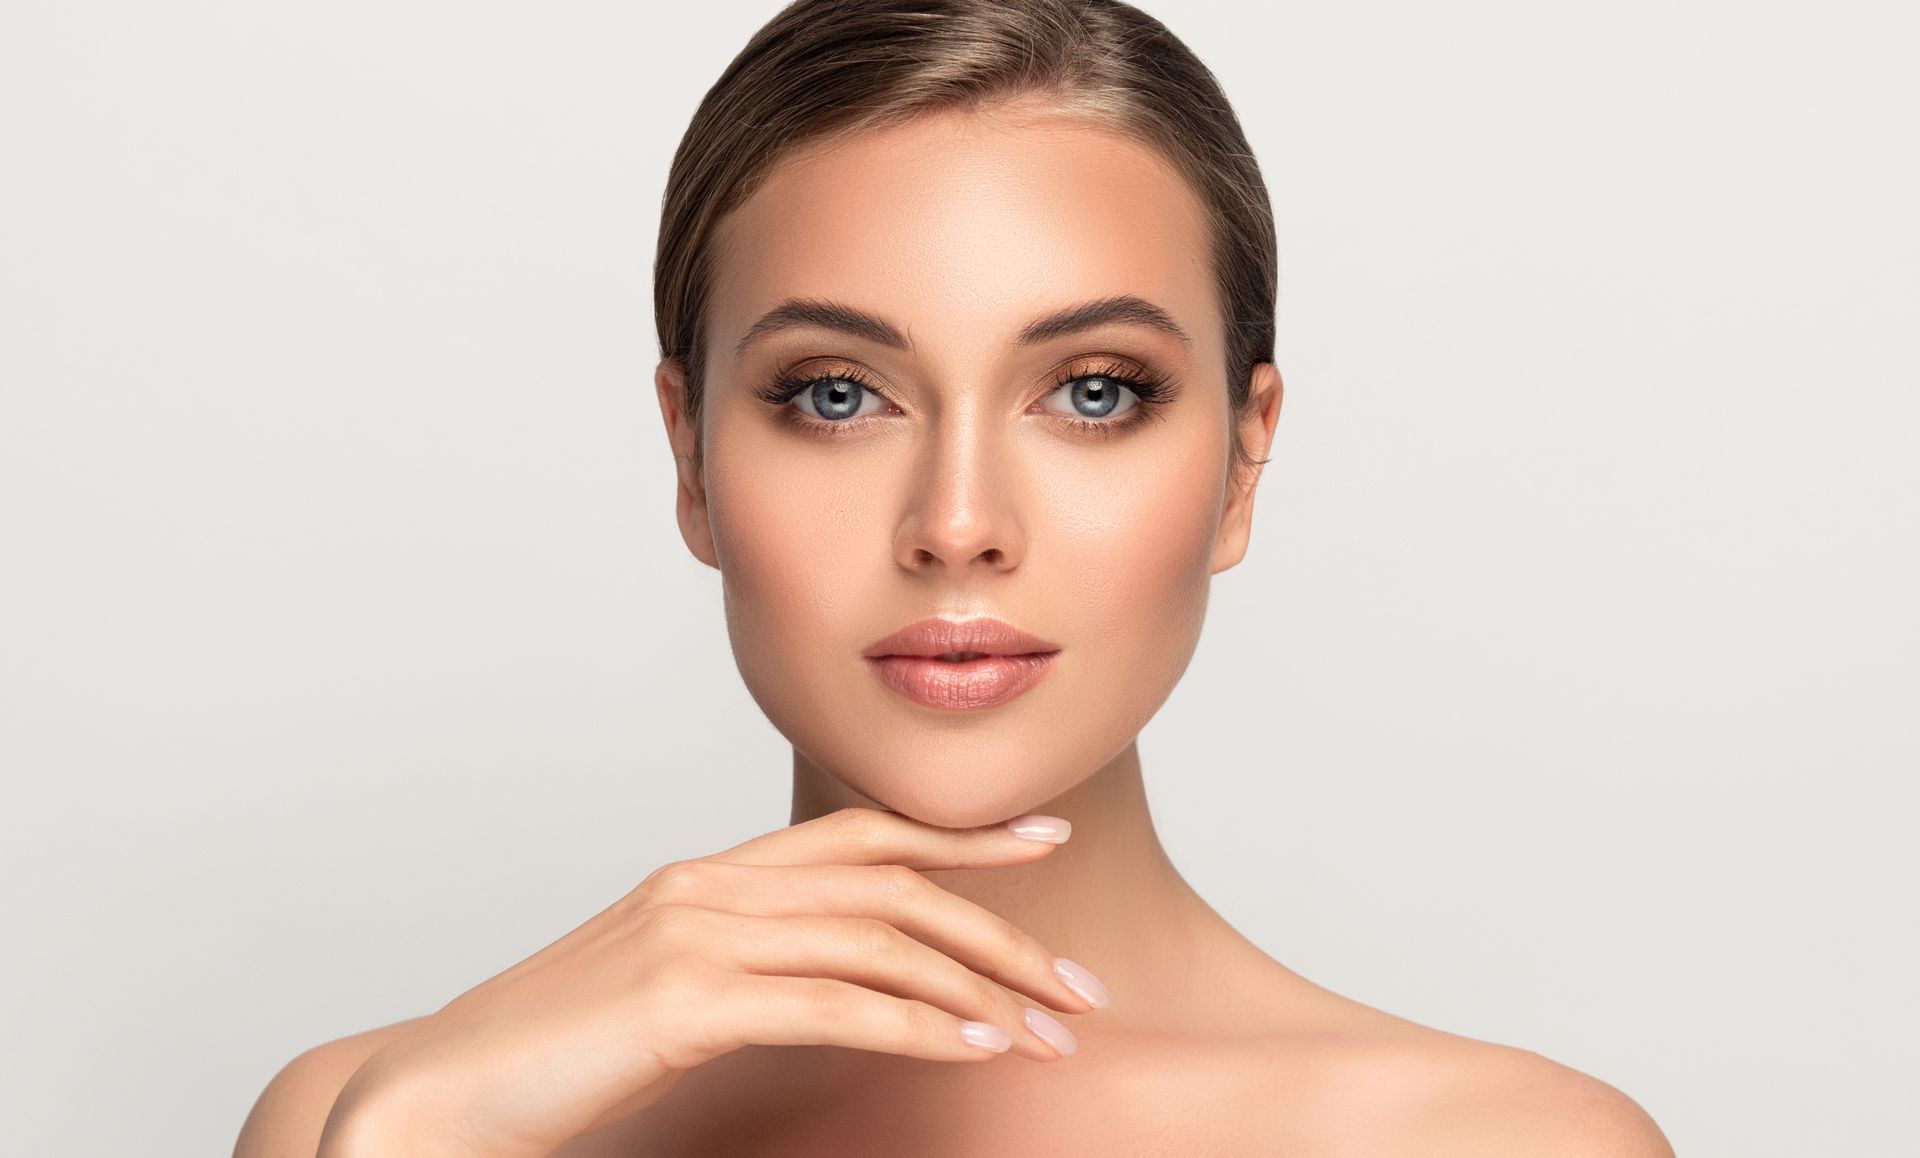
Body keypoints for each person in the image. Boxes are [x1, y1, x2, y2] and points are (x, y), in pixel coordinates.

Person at [237, 1, 1675, 1154]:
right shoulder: (374, 1115)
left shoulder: (1505, 1143)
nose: (960, 522)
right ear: (691, 458)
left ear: (1243, 463)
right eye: (839, 395)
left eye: (1097, 391)